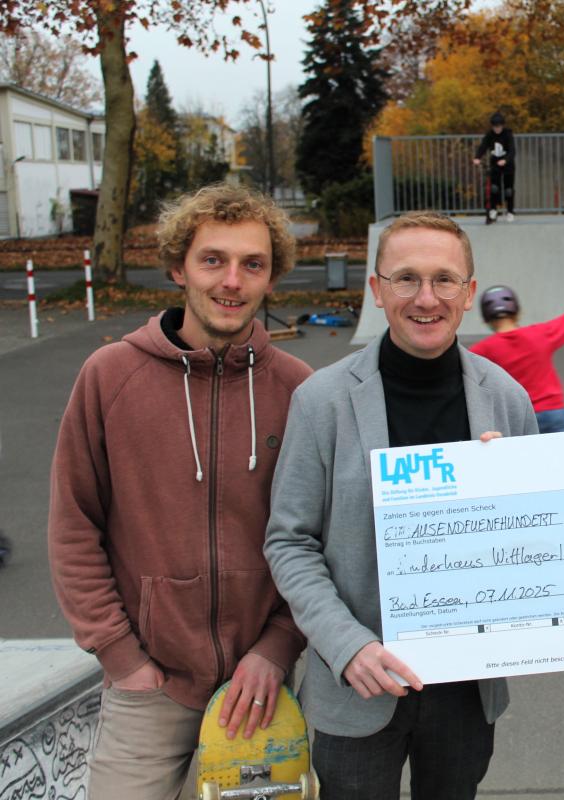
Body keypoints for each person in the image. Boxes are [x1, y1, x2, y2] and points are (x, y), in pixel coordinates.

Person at [47, 184, 311, 800]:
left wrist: (277, 648)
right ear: (177, 267)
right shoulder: (111, 376)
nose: (232, 281)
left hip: (262, 685)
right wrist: (121, 657)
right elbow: (73, 524)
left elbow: (323, 536)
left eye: (253, 264)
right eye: (212, 260)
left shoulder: (302, 390)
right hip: (149, 683)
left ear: (272, 279)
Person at [263, 211, 538, 800]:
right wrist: (346, 645)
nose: (426, 298)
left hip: (466, 688)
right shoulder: (323, 400)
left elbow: (537, 545)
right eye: (406, 278)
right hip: (359, 685)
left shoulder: (506, 401)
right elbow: (289, 541)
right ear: (377, 290)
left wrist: (506, 497)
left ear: (468, 294)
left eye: (444, 280)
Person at [469, 285, 564, 433]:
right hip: (554, 414)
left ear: (486, 319)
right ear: (517, 312)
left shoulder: (482, 350)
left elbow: (461, 369)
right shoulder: (538, 334)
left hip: (519, 419)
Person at [473, 111, 516, 223]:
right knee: (494, 188)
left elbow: (512, 150)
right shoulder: (490, 135)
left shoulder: (508, 134)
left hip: (508, 166)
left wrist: (505, 160)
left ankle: (510, 211)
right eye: (495, 127)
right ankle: (493, 209)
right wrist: (477, 157)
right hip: (495, 165)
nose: (497, 129)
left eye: (499, 127)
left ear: (502, 125)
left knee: (508, 190)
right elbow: (483, 146)